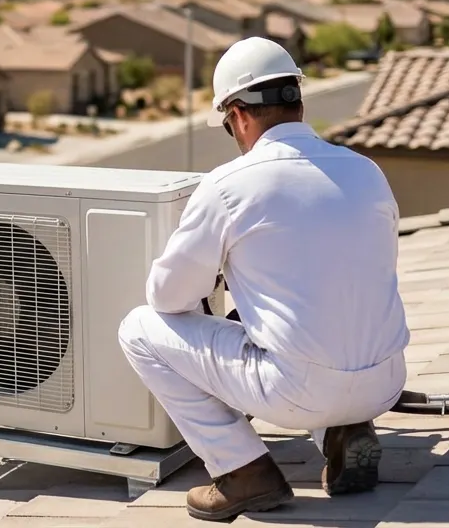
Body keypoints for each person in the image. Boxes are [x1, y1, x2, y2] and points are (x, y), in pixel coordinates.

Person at [117, 37, 410, 522]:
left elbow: (167, 297)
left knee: (139, 328)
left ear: (238, 113)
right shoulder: (366, 171)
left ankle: (242, 473)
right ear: (297, 100)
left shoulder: (229, 185)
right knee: (304, 328)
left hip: (298, 392)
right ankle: (344, 431)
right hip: (386, 381)